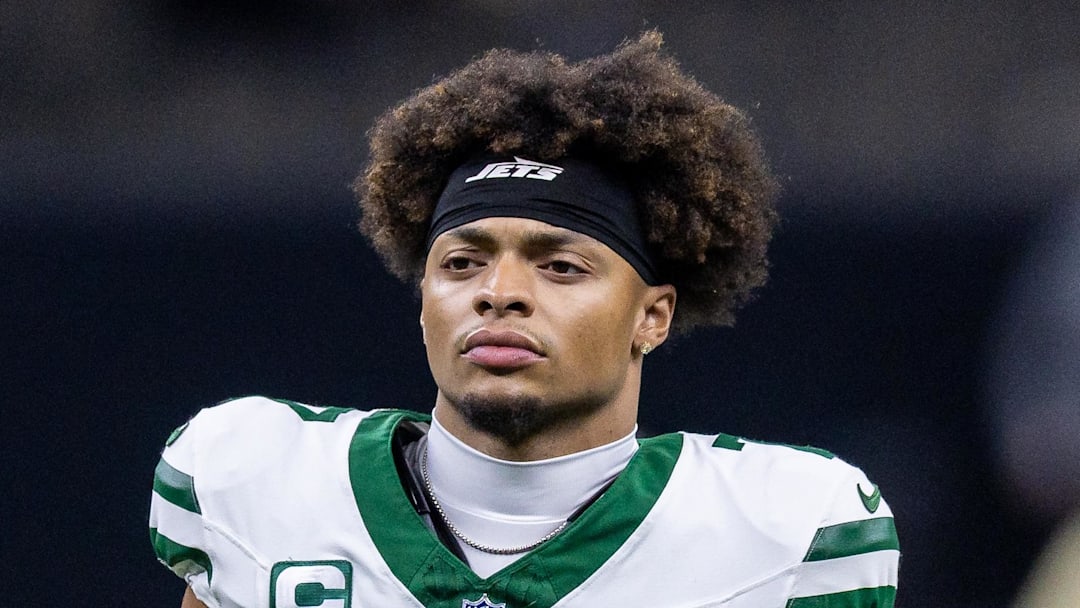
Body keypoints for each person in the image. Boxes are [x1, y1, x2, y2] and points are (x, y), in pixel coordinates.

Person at [150, 31, 899, 608]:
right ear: (423, 300)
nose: (499, 292)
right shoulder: (254, 479)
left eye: (560, 266)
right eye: (461, 263)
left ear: (653, 316)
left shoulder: (784, 532)